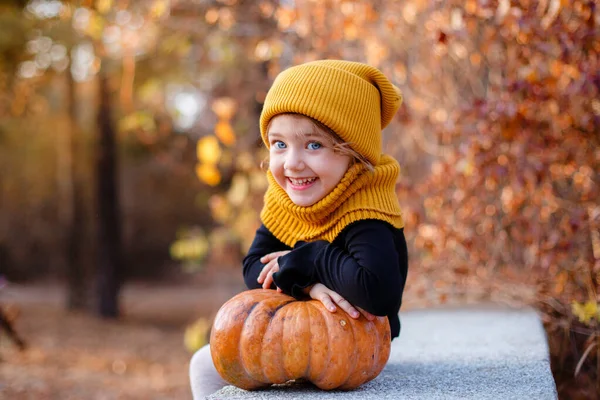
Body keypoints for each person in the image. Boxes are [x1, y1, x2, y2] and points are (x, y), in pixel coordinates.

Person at [190, 59, 408, 399]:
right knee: (205, 365)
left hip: (351, 347)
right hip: (289, 336)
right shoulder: (284, 200)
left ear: (354, 153)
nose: (291, 163)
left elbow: (378, 292)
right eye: (279, 144)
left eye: (314, 145)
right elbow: (254, 267)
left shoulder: (367, 208)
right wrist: (308, 286)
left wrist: (312, 258)